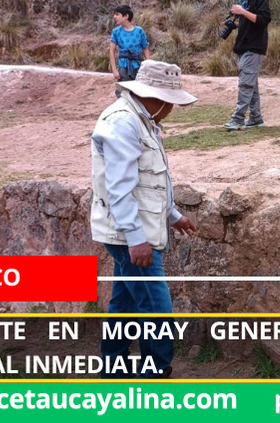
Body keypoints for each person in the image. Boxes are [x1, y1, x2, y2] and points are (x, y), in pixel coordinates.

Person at [90, 59, 198, 378]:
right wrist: (136, 239)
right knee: (156, 310)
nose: (172, 110)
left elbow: (150, 181)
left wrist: (173, 214)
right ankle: (156, 375)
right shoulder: (124, 122)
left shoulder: (143, 120)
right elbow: (120, 189)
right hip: (130, 236)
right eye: (172, 103)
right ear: (159, 98)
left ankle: (113, 368)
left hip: (134, 231)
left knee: (124, 304)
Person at [223, 0, 272, 130]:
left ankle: (237, 119)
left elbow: (264, 18)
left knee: (246, 84)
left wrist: (242, 12)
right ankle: (256, 118)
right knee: (251, 85)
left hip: (254, 46)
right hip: (243, 45)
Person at [109, 5, 150, 97]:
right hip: (124, 67)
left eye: (117, 14)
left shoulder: (139, 31)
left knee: (140, 93)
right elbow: (112, 51)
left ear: (126, 16)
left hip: (139, 66)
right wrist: (115, 70)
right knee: (123, 93)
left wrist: (148, 66)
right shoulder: (116, 32)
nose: (114, 17)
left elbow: (145, 48)